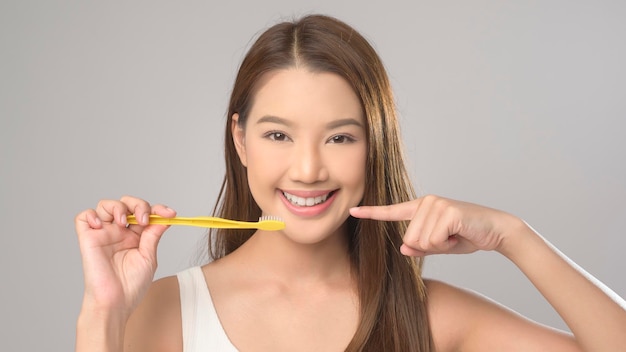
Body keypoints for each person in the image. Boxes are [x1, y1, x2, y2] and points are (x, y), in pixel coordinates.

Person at [75, 14, 626, 352]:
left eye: (340, 138)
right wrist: (103, 312)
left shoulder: (426, 316)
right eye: (277, 136)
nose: (309, 169)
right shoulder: (161, 310)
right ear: (240, 140)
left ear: (374, 147)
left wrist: (513, 236)